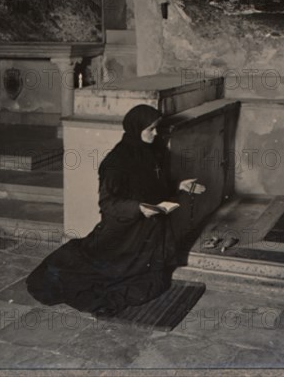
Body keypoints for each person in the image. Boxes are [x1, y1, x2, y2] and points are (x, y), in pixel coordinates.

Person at [26, 104, 205, 317]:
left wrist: (178, 186)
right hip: (123, 234)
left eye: (156, 128)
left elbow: (156, 186)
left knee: (155, 282)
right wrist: (138, 208)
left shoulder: (152, 152)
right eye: (150, 129)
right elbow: (108, 204)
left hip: (148, 232)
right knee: (97, 276)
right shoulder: (115, 162)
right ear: (135, 129)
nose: (156, 133)